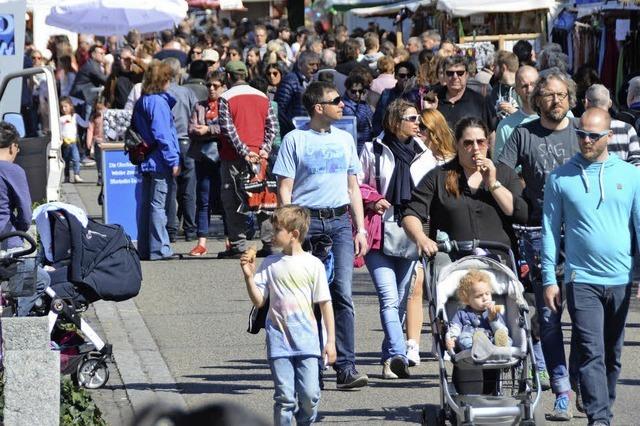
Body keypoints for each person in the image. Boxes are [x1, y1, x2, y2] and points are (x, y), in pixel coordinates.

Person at [541, 108, 640, 426]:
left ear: (609, 137)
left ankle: (603, 409)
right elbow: (549, 231)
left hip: (621, 278)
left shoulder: (631, 176)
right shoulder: (560, 177)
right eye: (580, 133)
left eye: (593, 135)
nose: (585, 140)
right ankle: (600, 419)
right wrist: (548, 279)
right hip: (580, 278)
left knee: (613, 353)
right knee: (591, 349)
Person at [273, 81, 370, 389]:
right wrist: (289, 229)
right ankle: (311, 364)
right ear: (318, 108)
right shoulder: (294, 139)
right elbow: (284, 187)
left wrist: (361, 228)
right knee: (307, 297)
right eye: (336, 100)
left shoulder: (344, 138)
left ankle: (346, 367)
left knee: (341, 293)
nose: (343, 105)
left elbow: (353, 186)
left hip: (340, 221)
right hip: (307, 223)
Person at [498, 68, 580, 420]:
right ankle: (561, 389)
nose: (555, 100)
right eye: (548, 95)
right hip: (538, 234)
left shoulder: (582, 135)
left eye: (561, 95)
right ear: (536, 100)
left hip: (581, 237)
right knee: (548, 317)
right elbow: (502, 172)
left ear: (570, 99)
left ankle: (578, 379)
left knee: (584, 316)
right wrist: (523, 202)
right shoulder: (523, 134)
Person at [357, 99, 441, 379]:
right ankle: (396, 353)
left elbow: (432, 193)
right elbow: (357, 185)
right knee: (389, 297)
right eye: (412, 118)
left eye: (418, 118)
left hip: (411, 233)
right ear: (395, 123)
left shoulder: (425, 154)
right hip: (379, 231)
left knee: (403, 298)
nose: (419, 123)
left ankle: (387, 360)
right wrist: (375, 198)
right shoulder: (373, 150)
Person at [240, 205, 336, 426]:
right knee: (284, 398)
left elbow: (325, 304)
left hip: (308, 343)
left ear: (294, 234)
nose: (271, 235)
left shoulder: (314, 265)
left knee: (310, 396)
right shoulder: (271, 263)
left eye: (276, 230)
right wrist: (248, 277)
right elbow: (259, 300)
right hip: (279, 342)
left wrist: (330, 341)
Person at [401, 117, 528, 257]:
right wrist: (421, 238)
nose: (475, 148)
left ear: (488, 143)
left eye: (481, 142)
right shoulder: (438, 176)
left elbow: (520, 214)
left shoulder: (504, 173)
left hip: (499, 261)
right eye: (468, 143)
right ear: (457, 145)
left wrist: (493, 183)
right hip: (453, 263)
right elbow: (411, 214)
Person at [403, 108, 456, 365]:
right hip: (421, 228)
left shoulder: (454, 160)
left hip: (446, 231)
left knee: (441, 290)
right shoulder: (417, 159)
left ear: (434, 131)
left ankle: (440, 339)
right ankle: (412, 344)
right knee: (416, 286)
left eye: (422, 127)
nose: (418, 132)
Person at [217, 60, 277, 259]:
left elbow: (228, 129)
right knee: (263, 200)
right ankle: (269, 243)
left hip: (234, 158)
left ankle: (238, 244)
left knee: (233, 199)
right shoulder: (262, 96)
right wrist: (263, 150)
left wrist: (244, 151)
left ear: (228, 77)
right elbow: (272, 127)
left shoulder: (225, 97)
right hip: (260, 157)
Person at [132, 60, 181, 261]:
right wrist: (173, 160)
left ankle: (145, 247)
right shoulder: (159, 102)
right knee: (158, 205)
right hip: (159, 160)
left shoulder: (142, 101)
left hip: (146, 159)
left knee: (146, 205)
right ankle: (160, 248)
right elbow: (163, 134)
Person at [187, 74, 225, 256]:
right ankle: (201, 241)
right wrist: (212, 132)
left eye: (215, 85)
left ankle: (230, 240)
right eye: (209, 85)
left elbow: (228, 128)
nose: (211, 88)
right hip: (203, 157)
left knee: (226, 199)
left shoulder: (226, 104)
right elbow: (192, 129)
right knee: (203, 199)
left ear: (223, 87)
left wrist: (209, 130)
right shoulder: (199, 106)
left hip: (223, 158)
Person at [164, 58, 199, 243]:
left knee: (171, 187)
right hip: (187, 141)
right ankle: (190, 229)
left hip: (169, 142)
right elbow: (196, 114)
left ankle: (171, 229)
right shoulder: (187, 92)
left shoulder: (162, 93)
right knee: (189, 188)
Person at [445, 269, 510, 352]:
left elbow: (503, 330)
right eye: (479, 296)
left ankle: (499, 345)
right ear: (467, 300)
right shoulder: (462, 313)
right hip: (471, 342)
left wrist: (493, 320)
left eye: (487, 293)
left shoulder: (493, 312)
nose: (485, 298)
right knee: (462, 338)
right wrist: (452, 338)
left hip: (491, 341)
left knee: (506, 338)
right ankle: (477, 347)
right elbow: (455, 328)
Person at [583, 84, 640, 167]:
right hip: (622, 179)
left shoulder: (581, 131)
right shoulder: (627, 129)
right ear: (610, 103)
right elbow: (636, 164)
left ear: (586, 103)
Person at [435, 56, 492, 132]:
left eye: (460, 73)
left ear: (467, 75)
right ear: (444, 75)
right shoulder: (434, 99)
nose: (455, 77)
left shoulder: (479, 101)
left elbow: (491, 134)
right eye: (450, 73)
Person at [494, 65, 539, 157]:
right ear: (517, 90)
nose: (529, 89)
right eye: (524, 86)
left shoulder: (559, 117)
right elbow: (501, 166)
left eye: (533, 84)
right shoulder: (505, 127)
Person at [275, 51, 320, 136]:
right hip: (293, 130)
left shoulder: (314, 81)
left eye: (317, 65)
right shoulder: (290, 80)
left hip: (309, 130)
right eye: (311, 64)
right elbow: (279, 108)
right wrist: (290, 128)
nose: (315, 68)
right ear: (300, 65)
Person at [371, 61, 416, 137]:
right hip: (388, 137)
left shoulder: (416, 95)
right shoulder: (387, 94)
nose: (406, 78)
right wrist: (381, 136)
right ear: (396, 76)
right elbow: (377, 118)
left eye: (409, 76)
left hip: (409, 138)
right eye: (402, 76)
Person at [486, 51, 520, 130]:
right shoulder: (495, 90)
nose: (492, 69)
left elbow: (534, 117)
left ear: (503, 68)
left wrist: (514, 111)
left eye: (495, 66)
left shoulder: (524, 88)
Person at [59, 96, 89, 183]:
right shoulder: (60, 119)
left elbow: (84, 124)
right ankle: (67, 177)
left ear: (71, 106)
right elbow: (59, 130)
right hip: (64, 143)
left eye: (66, 106)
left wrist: (90, 121)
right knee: (66, 161)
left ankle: (76, 175)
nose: (64, 109)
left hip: (74, 142)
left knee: (76, 159)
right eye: (62, 107)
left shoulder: (75, 116)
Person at [342, 73, 373, 155]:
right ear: (347, 90)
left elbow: (371, 118)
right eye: (353, 91)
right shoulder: (344, 105)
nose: (357, 94)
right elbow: (358, 122)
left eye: (360, 91)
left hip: (367, 144)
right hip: (356, 146)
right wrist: (362, 103)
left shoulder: (362, 103)